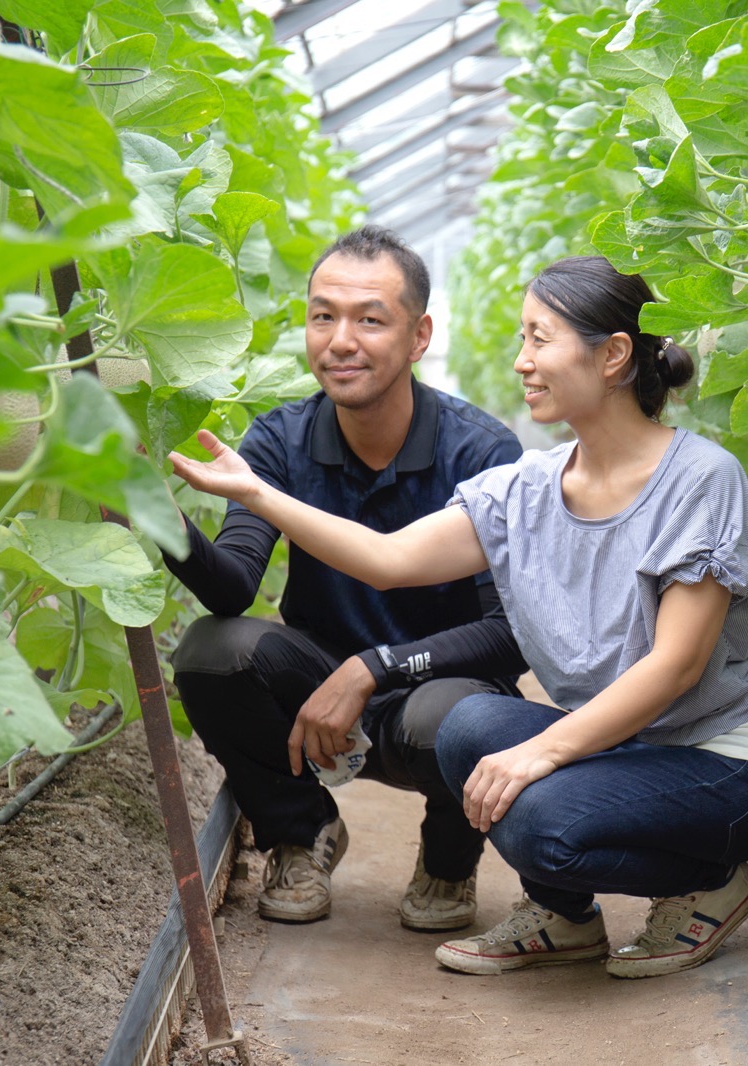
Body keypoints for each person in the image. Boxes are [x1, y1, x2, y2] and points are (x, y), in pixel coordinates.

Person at [169, 255, 748, 980]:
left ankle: (712, 881)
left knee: (542, 822)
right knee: (470, 732)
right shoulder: (526, 488)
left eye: (540, 338)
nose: (523, 362)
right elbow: (387, 558)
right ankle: (567, 919)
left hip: (717, 765)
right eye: (523, 340)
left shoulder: (700, 479)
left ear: (614, 355)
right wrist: (257, 494)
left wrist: (542, 752)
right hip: (620, 750)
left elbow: (676, 664)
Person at [162, 225, 526, 929]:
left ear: (419, 337)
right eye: (322, 315)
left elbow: (509, 635)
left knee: (457, 716)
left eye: (369, 319)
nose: (340, 340)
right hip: (319, 695)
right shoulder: (279, 440)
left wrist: (374, 667)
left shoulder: (483, 451)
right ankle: (301, 832)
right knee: (213, 653)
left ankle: (449, 861)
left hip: (438, 689)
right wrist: (157, 517)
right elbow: (234, 585)